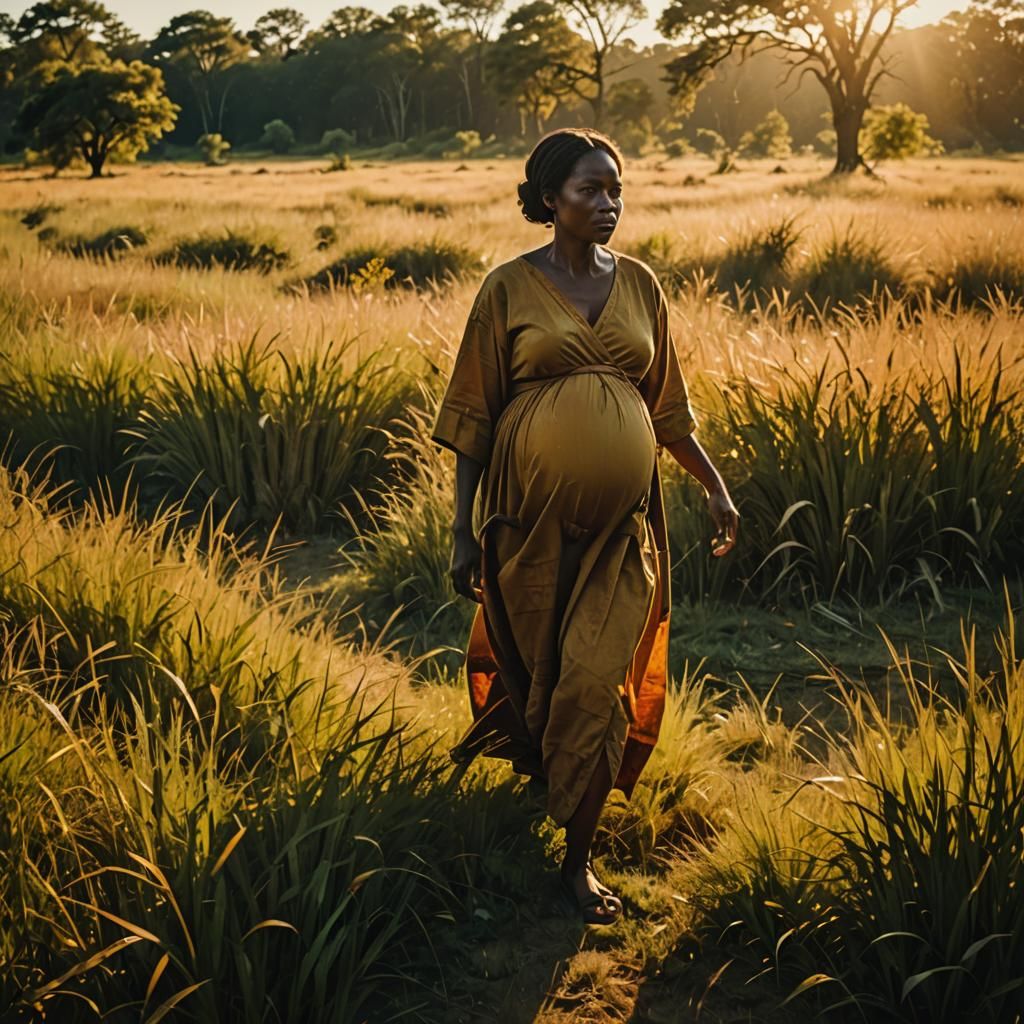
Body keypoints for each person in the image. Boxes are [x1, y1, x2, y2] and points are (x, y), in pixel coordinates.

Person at [430, 128, 739, 924]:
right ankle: (544, 800)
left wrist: (714, 486)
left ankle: (578, 863)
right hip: (524, 526)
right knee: (541, 681)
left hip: (619, 533)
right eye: (590, 191)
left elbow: (667, 406)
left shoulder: (639, 286)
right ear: (548, 200)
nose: (609, 205)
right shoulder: (507, 289)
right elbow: (474, 415)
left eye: (617, 189)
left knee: (599, 684)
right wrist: (463, 531)